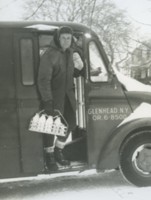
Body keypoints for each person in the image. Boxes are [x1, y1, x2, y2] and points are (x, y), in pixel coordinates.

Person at [37, 26, 83, 171]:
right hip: (54, 97)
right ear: (58, 38)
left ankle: (58, 150)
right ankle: (49, 157)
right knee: (51, 127)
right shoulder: (50, 54)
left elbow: (71, 73)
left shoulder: (70, 53)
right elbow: (43, 80)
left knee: (71, 123)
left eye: (68, 38)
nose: (65, 41)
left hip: (68, 96)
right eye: (63, 37)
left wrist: (79, 67)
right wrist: (48, 100)